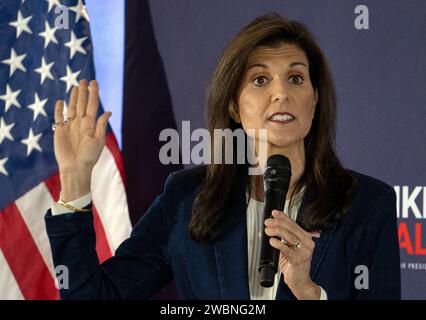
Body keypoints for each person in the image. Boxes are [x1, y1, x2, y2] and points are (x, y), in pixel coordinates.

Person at [45, 14, 401, 300]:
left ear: (315, 99)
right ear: (233, 104)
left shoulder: (368, 205)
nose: (281, 94)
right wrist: (75, 180)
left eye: (295, 78)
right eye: (260, 80)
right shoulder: (186, 199)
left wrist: (309, 292)